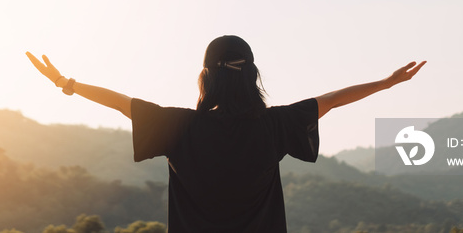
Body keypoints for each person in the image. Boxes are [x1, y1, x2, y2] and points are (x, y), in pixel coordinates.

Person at [26, 35, 425, 233]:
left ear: (206, 77)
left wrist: (67, 82)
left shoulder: (180, 126)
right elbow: (333, 100)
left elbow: (122, 103)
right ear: (252, 76)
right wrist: (386, 84)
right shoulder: (274, 126)